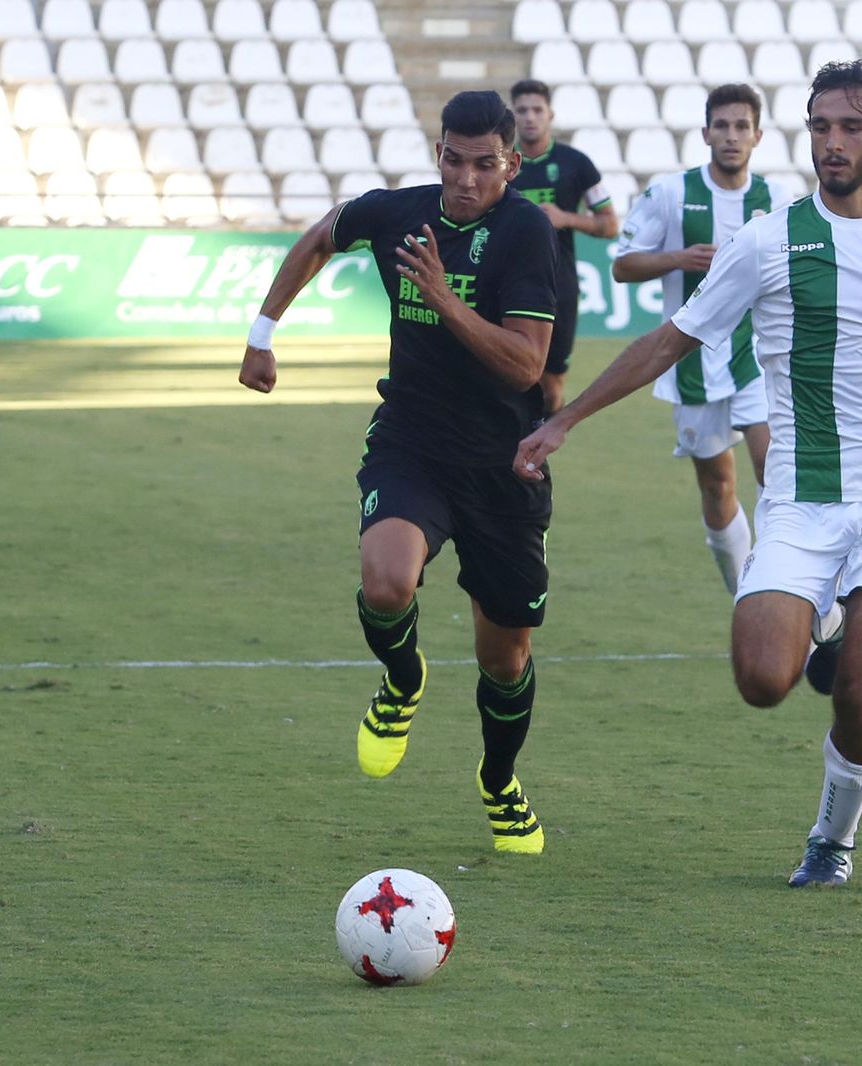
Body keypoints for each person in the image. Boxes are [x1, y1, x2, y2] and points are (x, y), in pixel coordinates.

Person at [514, 60, 862, 886]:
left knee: (859, 695)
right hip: (799, 497)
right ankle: (822, 626)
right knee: (763, 679)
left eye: (851, 127)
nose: (832, 142)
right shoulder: (768, 240)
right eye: (821, 126)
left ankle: (832, 841)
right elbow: (670, 340)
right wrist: (564, 419)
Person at [239, 91, 560, 855]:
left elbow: (525, 366)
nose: (466, 178)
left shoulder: (526, 233)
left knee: (505, 659)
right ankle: (403, 677)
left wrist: (444, 300)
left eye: (485, 165)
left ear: (511, 165)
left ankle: (498, 780)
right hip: (411, 440)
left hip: (503, 465)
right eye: (454, 159)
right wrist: (262, 332)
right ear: (439, 152)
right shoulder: (398, 213)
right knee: (386, 581)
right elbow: (324, 235)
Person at [611, 84, 796, 598]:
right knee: (718, 487)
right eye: (723, 126)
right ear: (706, 132)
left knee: (775, 473)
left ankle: (789, 592)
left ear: (757, 135)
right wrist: (680, 258)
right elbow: (623, 266)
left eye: (742, 127)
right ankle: (744, 593)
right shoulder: (671, 194)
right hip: (692, 363)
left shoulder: (777, 203)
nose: (732, 136)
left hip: (758, 358)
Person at [508, 79, 621, 414]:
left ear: (550, 115)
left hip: (559, 287)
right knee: (509, 378)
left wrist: (566, 218)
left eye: (537, 110)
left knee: (551, 385)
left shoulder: (577, 164)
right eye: (522, 110)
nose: (530, 117)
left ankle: (538, 459)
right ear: (512, 116)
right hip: (507, 285)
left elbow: (610, 224)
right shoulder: (500, 165)